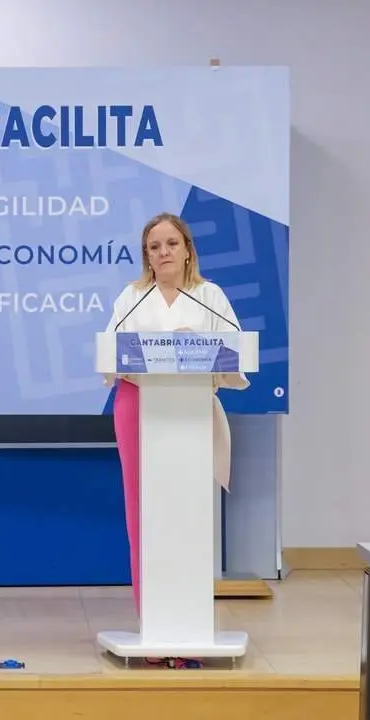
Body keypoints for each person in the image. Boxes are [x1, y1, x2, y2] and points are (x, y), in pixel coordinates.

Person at [104, 212, 247, 617]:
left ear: (187, 251)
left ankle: (188, 618)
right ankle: (151, 617)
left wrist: (195, 347)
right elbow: (110, 356)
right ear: (146, 256)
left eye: (171, 244)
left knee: (188, 514)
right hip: (137, 405)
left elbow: (234, 354)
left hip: (190, 408)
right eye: (154, 247)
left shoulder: (211, 297)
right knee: (143, 512)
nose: (163, 252)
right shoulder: (132, 297)